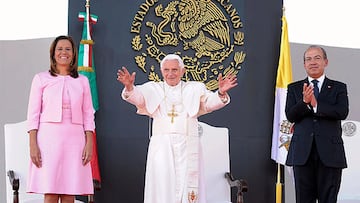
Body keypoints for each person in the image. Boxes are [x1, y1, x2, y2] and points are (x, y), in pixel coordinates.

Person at [117, 54, 237, 203]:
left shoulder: (194, 88)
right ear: (162, 71)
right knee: (162, 187)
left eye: (174, 69)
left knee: (188, 187)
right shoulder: (153, 89)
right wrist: (129, 87)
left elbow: (209, 103)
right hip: (162, 147)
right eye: (166, 70)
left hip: (188, 146)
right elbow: (139, 99)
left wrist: (220, 93)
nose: (170, 74)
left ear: (183, 71)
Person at [26, 35, 95, 203]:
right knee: (50, 191)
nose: (64, 52)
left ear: (73, 54)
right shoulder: (41, 79)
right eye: (60, 49)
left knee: (69, 191)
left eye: (68, 49)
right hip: (48, 140)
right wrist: (33, 144)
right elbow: (33, 114)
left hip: (75, 140)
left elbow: (88, 114)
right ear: (53, 53)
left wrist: (89, 142)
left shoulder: (83, 81)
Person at [285, 45, 349, 203]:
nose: (312, 62)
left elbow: (342, 112)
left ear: (325, 62)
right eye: (308, 59)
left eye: (317, 58)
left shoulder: (338, 87)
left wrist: (315, 105)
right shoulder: (294, 88)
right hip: (302, 154)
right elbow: (291, 115)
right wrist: (304, 103)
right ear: (304, 64)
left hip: (330, 154)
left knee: (329, 199)